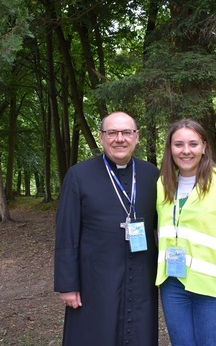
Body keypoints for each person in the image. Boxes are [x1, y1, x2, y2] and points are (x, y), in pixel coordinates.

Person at [54, 111, 160, 346]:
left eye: (126, 132)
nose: (119, 139)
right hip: (95, 279)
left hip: (141, 276)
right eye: (112, 133)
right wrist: (67, 285)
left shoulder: (151, 174)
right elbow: (66, 233)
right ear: (101, 138)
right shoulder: (79, 175)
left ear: (137, 137)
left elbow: (162, 226)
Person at [155, 118, 216, 346]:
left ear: (204, 147)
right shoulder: (162, 184)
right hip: (173, 285)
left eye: (193, 144)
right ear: (170, 149)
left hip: (212, 285)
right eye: (178, 144)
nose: (186, 151)